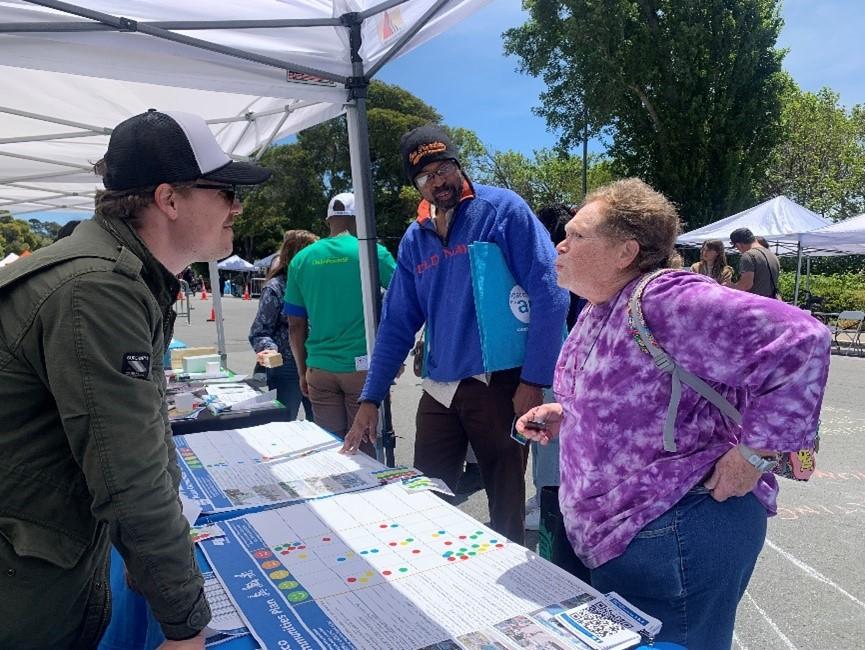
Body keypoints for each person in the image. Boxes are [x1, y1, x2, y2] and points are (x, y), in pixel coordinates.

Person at [516, 178, 829, 649]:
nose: (561, 242)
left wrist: (755, 455)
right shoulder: (601, 306)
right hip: (630, 533)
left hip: (676, 529)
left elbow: (803, 342)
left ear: (625, 251)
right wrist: (569, 413)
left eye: (578, 235)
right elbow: (640, 392)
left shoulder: (666, 298)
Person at [0, 109, 271, 648]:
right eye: (225, 191)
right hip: (24, 582)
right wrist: (185, 620)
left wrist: (151, 559)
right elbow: (129, 473)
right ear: (169, 200)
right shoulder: (99, 288)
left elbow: (143, 431)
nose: (237, 207)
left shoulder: (113, 271)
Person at [344, 125, 569, 543]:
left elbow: (551, 293)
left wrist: (534, 381)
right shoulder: (415, 237)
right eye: (425, 176)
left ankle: (502, 589)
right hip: (441, 386)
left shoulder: (502, 210)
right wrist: (370, 398)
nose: (439, 181)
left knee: (506, 504)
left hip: (500, 383)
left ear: (459, 164)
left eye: (445, 167)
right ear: (416, 185)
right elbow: (396, 323)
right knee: (425, 494)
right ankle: (435, 578)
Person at [284, 193, 396, 456]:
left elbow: (295, 326)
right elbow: (405, 299)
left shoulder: (302, 259)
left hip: (319, 368)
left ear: (328, 220)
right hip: (362, 367)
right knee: (364, 447)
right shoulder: (372, 252)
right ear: (359, 218)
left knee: (332, 447)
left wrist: (302, 371)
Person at [249, 230, 318, 420]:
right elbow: (259, 331)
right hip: (286, 366)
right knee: (284, 422)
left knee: (323, 425)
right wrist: (270, 350)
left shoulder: (316, 284)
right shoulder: (276, 287)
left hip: (318, 363)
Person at [730, 227, 781, 297]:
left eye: (737, 247)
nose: (739, 250)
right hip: (771, 302)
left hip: (756, 303)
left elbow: (746, 285)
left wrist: (729, 286)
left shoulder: (748, 255)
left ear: (739, 245)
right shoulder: (772, 255)